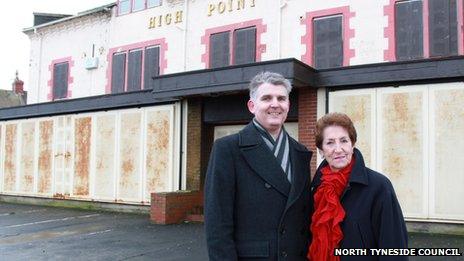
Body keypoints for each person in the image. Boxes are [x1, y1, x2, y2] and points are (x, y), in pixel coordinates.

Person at [204, 71, 313, 260]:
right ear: (252, 106)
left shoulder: (300, 152)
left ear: (288, 105)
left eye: (281, 98)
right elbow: (217, 223)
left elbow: (303, 218)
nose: (275, 104)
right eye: (266, 98)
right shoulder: (228, 149)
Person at [308, 112, 408, 261]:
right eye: (330, 143)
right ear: (321, 151)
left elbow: (394, 246)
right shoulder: (316, 188)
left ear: (352, 144)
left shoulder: (379, 186)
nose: (338, 149)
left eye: (343, 141)